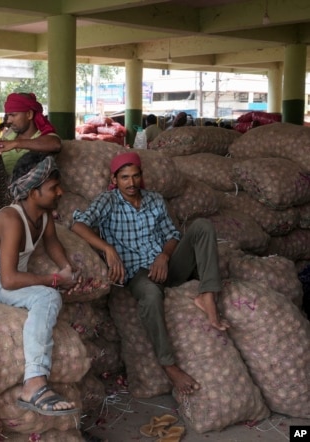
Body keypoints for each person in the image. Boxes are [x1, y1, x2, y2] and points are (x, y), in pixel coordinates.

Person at [70, 151, 229, 396]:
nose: (131, 183)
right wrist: (107, 248)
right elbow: (77, 224)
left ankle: (207, 294)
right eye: (124, 178)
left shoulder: (155, 199)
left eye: (135, 176)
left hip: (166, 266)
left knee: (202, 227)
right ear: (115, 180)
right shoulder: (107, 201)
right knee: (151, 295)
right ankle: (169, 365)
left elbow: (172, 236)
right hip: (138, 273)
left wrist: (164, 256)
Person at [0, 152, 79, 416]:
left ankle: (35, 383)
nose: (60, 192)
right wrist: (55, 280)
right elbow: (9, 280)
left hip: (4, 283)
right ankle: (33, 383)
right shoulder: (11, 219)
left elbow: (52, 242)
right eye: (53, 188)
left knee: (48, 295)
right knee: (47, 297)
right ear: (32, 192)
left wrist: (67, 268)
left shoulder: (43, 217)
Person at [0, 93, 61, 222]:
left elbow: (56, 144)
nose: (8, 120)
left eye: (13, 115)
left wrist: (16, 144)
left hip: (29, 192)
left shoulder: (44, 135)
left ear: (29, 114)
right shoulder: (7, 136)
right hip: (2, 191)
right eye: (8, 115)